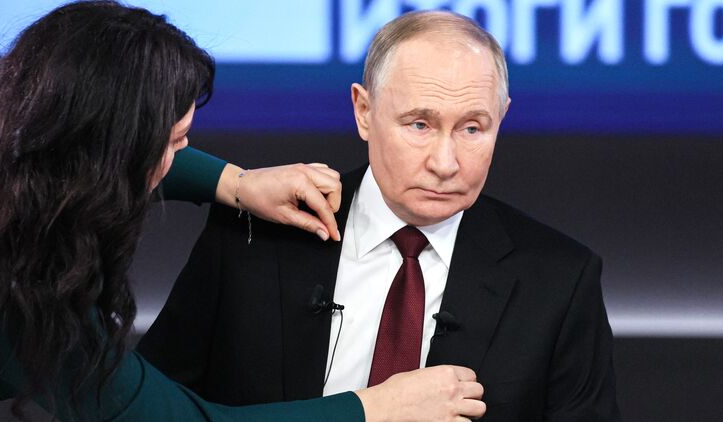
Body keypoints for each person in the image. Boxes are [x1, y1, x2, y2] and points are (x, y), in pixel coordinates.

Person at [0, 2, 487, 421]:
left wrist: (235, 183)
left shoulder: (19, 134)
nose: (443, 164)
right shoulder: (22, 293)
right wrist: (370, 410)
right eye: (173, 142)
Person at [140, 10, 621, 421]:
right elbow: (148, 408)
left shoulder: (560, 281)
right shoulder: (254, 234)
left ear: (503, 117)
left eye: (473, 128)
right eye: (420, 124)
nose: (445, 163)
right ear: (364, 111)